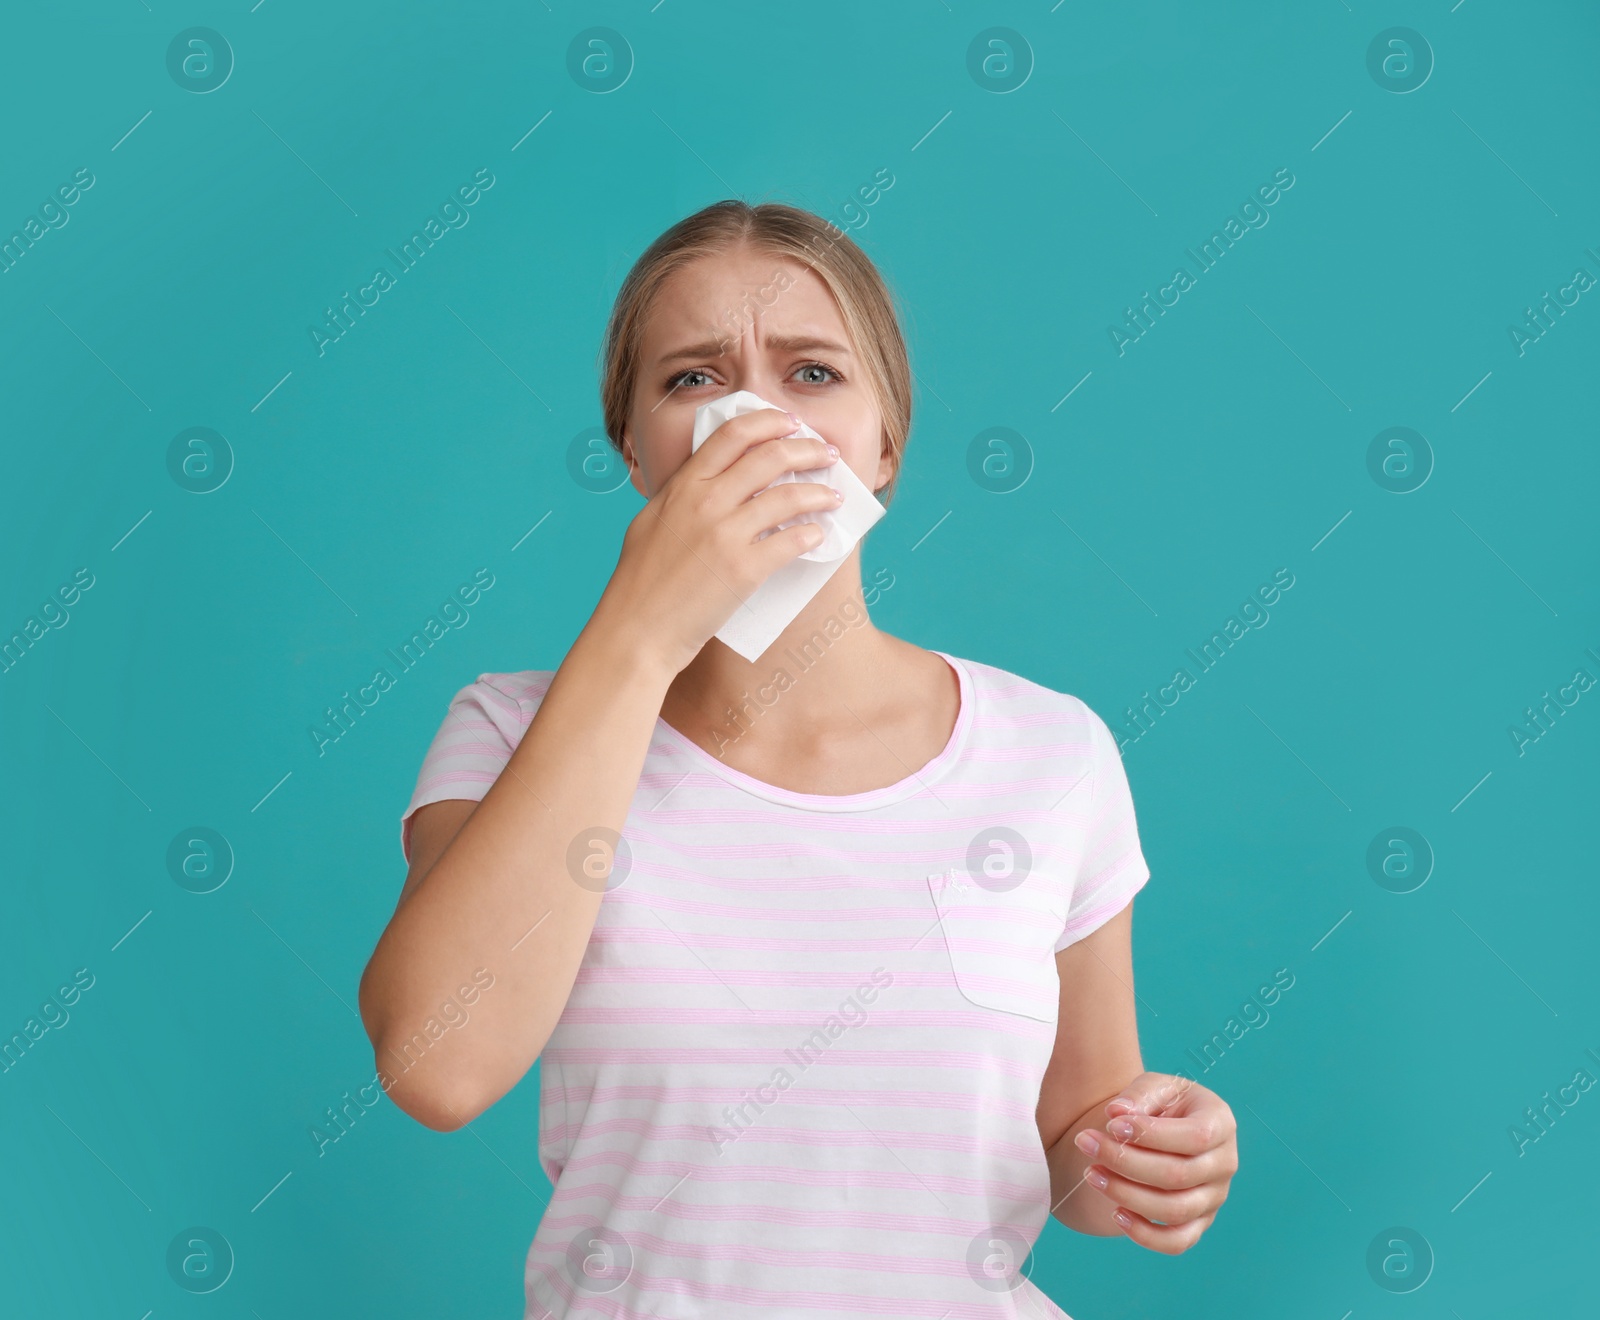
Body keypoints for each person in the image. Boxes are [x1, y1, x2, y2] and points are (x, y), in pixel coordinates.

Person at [358, 200, 1238, 1319]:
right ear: (631, 446)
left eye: (812, 373)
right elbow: (438, 1067)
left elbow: (1072, 1144)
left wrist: (1149, 1159)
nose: (751, 419)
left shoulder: (1050, 754)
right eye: (692, 380)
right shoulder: (507, 732)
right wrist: (638, 631)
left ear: (885, 441)